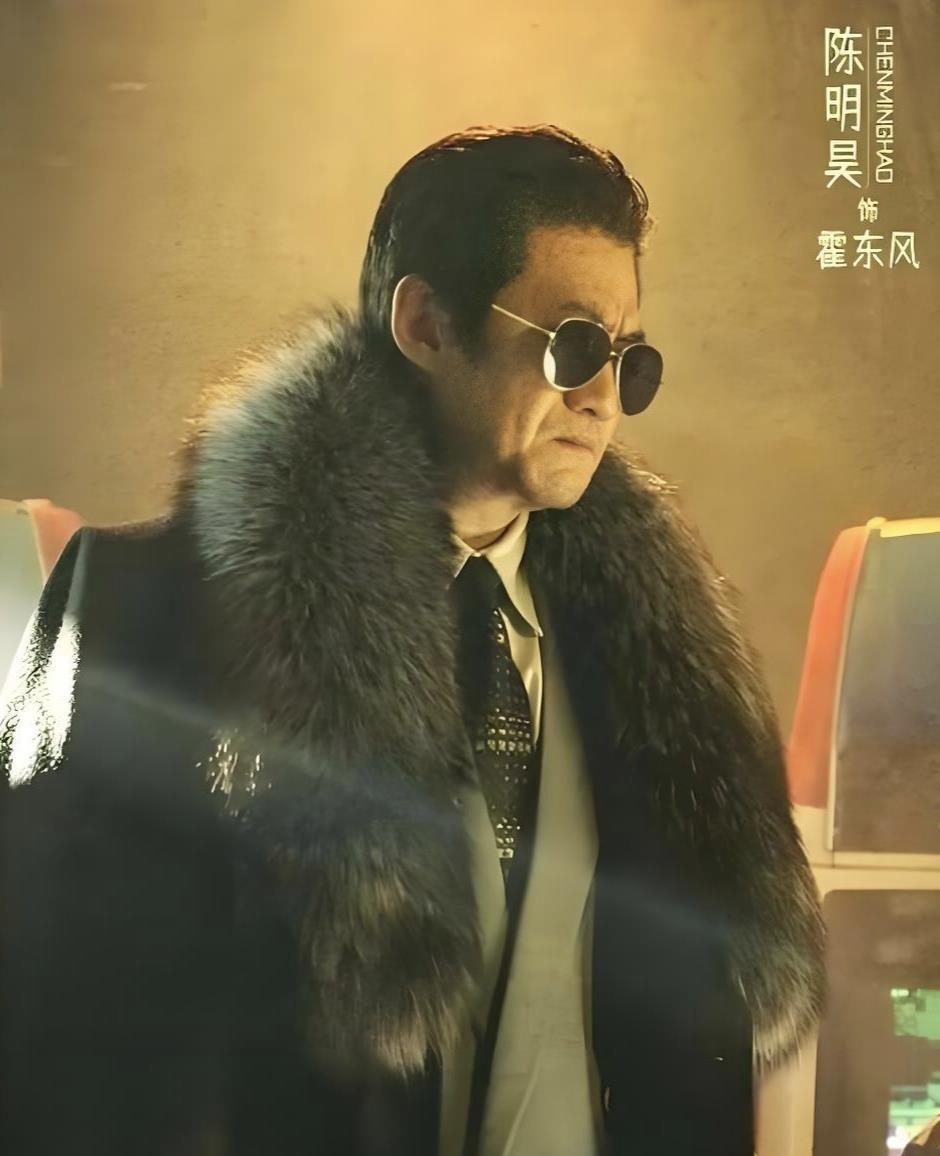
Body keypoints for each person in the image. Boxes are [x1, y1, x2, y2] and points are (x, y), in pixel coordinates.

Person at [0, 124, 825, 1156]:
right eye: (574, 344)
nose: (603, 396)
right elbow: (52, 1031)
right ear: (427, 323)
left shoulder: (658, 668)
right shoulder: (142, 607)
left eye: (631, 362)